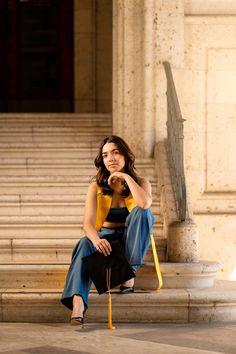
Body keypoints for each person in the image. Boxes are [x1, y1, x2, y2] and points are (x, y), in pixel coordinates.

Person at [61, 135, 154, 326]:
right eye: (105, 155)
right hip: (107, 241)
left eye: (115, 152)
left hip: (131, 241)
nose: (110, 158)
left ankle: (130, 274)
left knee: (143, 213)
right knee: (84, 242)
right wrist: (96, 241)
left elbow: (144, 204)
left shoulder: (142, 183)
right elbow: (87, 223)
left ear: (126, 156)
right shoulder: (96, 185)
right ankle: (78, 303)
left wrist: (126, 177)